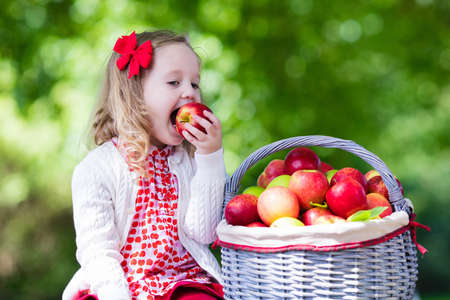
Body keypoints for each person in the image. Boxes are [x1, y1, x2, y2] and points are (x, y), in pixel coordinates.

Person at [62, 30, 226, 300]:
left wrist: (210, 157)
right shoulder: (96, 169)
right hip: (115, 284)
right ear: (134, 94)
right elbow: (98, 253)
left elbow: (204, 233)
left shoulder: (191, 162)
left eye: (195, 84)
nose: (189, 92)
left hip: (182, 283)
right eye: (174, 82)